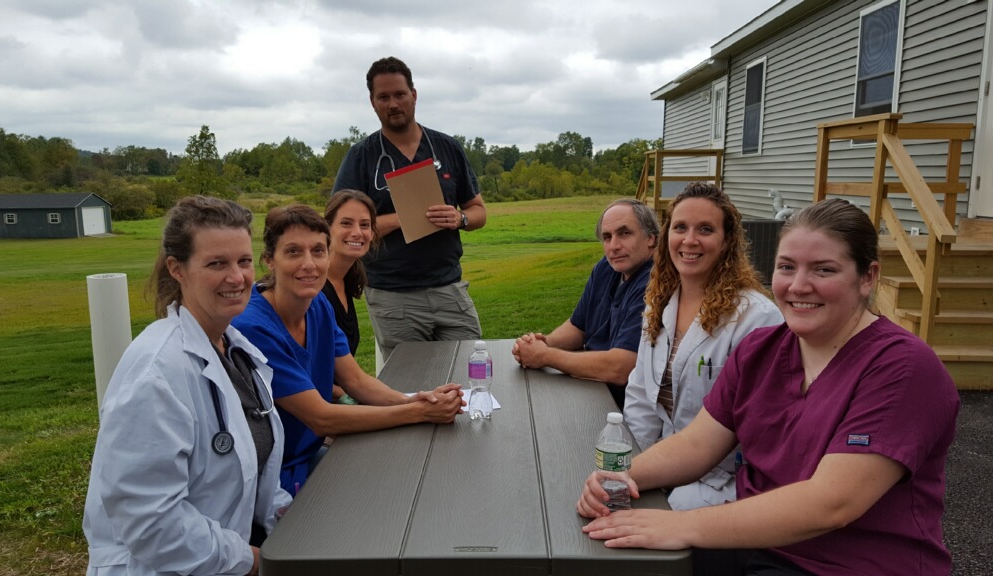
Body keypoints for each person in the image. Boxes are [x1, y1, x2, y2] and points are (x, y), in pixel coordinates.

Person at [577, 199, 960, 575]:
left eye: (824, 270)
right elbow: (697, 444)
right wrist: (623, 476)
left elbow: (832, 503)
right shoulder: (762, 350)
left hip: (843, 562)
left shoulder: (902, 368)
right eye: (786, 267)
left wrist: (681, 525)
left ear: (867, 278)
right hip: (753, 542)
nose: (799, 285)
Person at [83, 196, 291, 576]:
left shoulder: (237, 351)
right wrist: (254, 562)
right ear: (177, 269)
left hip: (228, 553)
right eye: (217, 264)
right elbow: (152, 523)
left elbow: (252, 470)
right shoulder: (156, 373)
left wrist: (287, 516)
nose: (237, 277)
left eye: (243, 261)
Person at [232, 204, 464, 495]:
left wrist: (415, 399)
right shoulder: (254, 327)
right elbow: (321, 418)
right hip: (271, 479)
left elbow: (355, 381)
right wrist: (419, 413)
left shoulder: (317, 304)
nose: (309, 264)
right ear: (269, 260)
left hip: (308, 458)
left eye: (318, 251)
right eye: (293, 252)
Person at [623, 183, 783, 511]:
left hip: (719, 480)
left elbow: (757, 428)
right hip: (659, 462)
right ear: (667, 236)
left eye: (706, 229)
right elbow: (640, 395)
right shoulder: (659, 304)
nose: (690, 240)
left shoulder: (756, 318)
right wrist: (634, 463)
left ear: (726, 242)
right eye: (680, 227)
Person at [333, 56, 486, 360]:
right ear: (373, 102)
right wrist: (405, 218)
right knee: (410, 386)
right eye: (384, 97)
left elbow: (478, 210)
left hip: (450, 288)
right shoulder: (362, 156)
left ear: (414, 95)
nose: (393, 104)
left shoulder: (446, 147)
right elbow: (342, 224)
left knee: (468, 371)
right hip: (393, 296)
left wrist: (460, 217)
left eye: (400, 95)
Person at [511, 198, 658, 409]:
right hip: (591, 388)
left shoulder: (654, 283)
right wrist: (543, 343)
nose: (614, 246)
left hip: (624, 408)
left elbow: (620, 367)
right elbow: (578, 327)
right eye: (607, 237)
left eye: (624, 233)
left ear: (650, 238)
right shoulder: (606, 269)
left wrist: (545, 355)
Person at [321, 190, 378, 403]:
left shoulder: (347, 281)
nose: (357, 233)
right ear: (327, 229)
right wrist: (346, 396)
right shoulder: (313, 288)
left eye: (365, 225)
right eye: (346, 223)